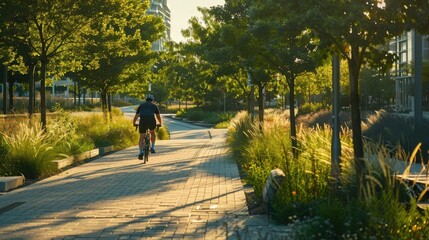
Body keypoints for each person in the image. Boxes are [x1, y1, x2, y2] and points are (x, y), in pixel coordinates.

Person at [133, 94, 162, 160]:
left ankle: (140, 153)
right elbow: (158, 116)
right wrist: (160, 123)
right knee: (152, 132)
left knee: (142, 136)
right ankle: (153, 147)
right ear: (152, 100)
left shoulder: (141, 105)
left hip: (143, 121)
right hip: (151, 120)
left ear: (145, 99)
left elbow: (136, 115)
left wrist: (134, 123)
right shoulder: (154, 106)